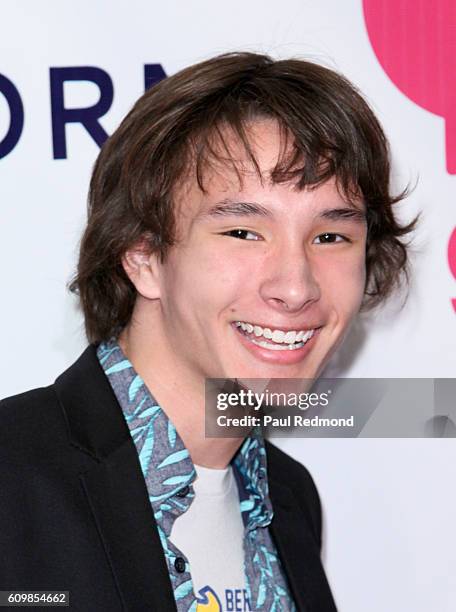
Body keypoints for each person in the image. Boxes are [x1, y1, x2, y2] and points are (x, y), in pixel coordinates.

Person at [0, 52, 415, 611]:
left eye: (331, 237)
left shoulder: (288, 497)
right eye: (243, 232)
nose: (296, 288)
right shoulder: (13, 478)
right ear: (142, 255)